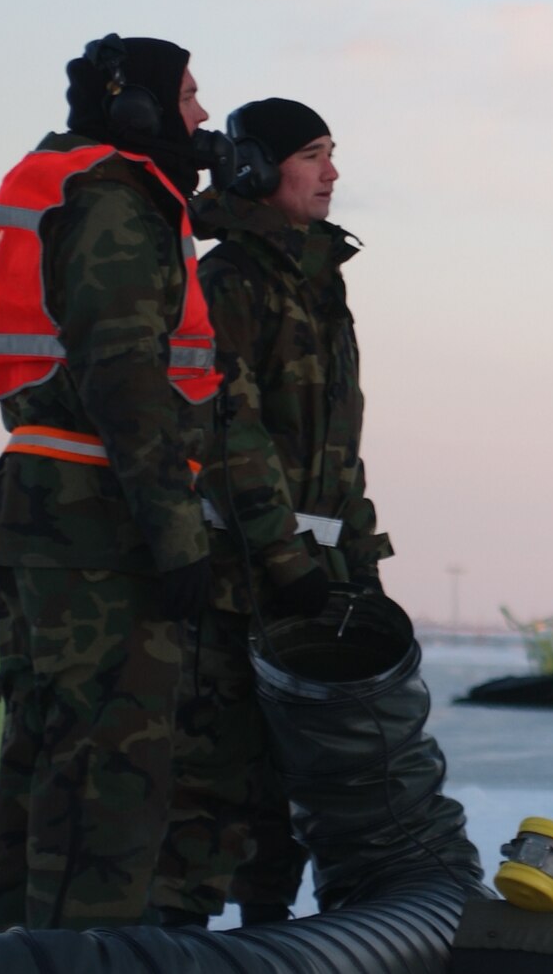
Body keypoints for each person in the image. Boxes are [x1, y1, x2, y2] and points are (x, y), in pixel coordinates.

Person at [0, 35, 220, 931]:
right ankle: (80, 955)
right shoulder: (113, 202)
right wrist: (176, 533)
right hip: (98, 512)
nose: (201, 115)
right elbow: (127, 384)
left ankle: (6, 948)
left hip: (50, 497)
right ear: (139, 109)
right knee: (112, 768)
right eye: (187, 97)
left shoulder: (76, 184)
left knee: (45, 750)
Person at [153, 97, 394, 926]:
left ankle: (272, 941)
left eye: (332, 154)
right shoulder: (229, 283)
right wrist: (285, 558)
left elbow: (336, 449)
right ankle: (173, 943)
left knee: (296, 792)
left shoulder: (320, 288)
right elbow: (227, 428)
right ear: (257, 167)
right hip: (239, 581)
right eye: (314, 155)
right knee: (210, 785)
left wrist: (359, 566)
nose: (332, 173)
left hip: (310, 576)